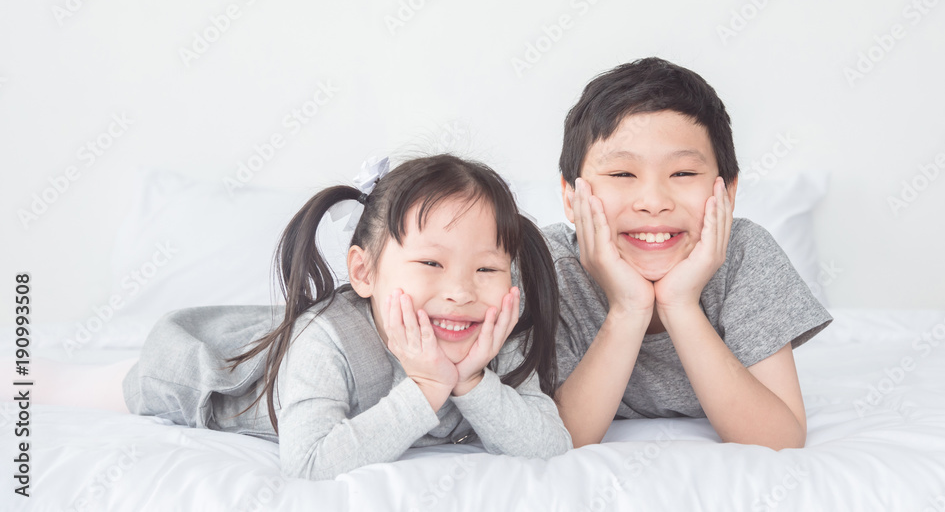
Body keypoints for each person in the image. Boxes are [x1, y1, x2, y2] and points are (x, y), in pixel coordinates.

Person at [123, 154, 572, 479]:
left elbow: (551, 446)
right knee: (127, 384)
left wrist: (472, 382)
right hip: (214, 373)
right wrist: (428, 388)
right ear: (364, 271)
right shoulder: (324, 343)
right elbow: (309, 463)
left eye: (486, 269)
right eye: (431, 264)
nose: (460, 293)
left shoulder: (493, 331)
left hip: (287, 344)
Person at [547, 57, 832, 449]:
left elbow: (780, 439)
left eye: (682, 173)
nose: (653, 202)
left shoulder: (745, 255)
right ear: (569, 195)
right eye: (621, 174)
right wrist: (628, 308)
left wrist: (680, 304)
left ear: (727, 193)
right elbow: (559, 438)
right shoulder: (549, 268)